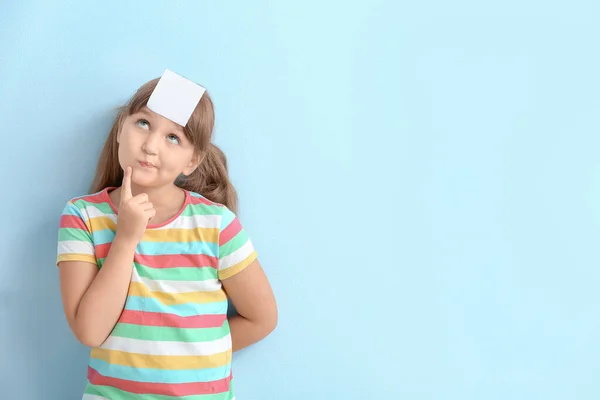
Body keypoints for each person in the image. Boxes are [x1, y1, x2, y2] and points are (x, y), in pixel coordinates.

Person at [56, 75, 278, 400]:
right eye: (143, 123)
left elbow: (262, 318)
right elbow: (89, 331)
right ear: (121, 129)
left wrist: (194, 357)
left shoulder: (216, 225)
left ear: (193, 160)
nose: (150, 146)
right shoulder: (82, 217)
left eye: (173, 137)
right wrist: (126, 238)